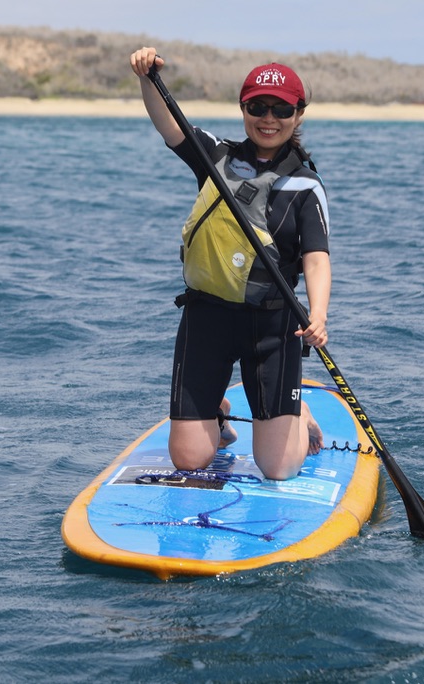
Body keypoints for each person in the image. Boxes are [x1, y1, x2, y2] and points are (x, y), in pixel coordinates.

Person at [129, 47, 331, 481]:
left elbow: (316, 258)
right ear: (244, 108)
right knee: (189, 460)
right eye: (258, 106)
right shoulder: (216, 157)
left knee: (278, 469)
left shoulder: (306, 185)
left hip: (273, 327)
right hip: (207, 316)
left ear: (298, 115)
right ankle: (217, 415)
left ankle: (299, 413)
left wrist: (318, 314)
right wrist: (147, 78)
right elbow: (169, 126)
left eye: (282, 109)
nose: (269, 117)